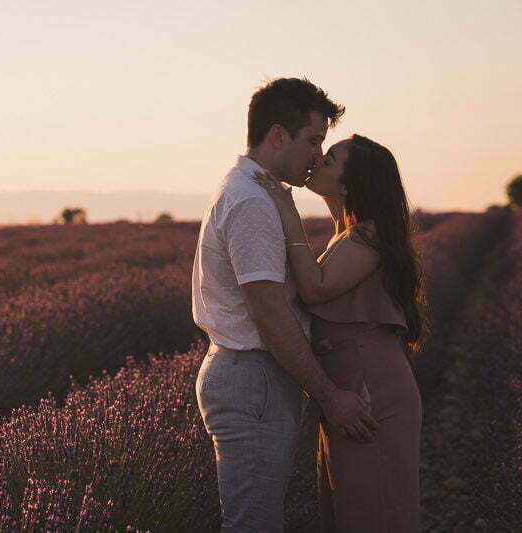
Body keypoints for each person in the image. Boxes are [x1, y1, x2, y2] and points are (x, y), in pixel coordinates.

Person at [192, 77, 378, 532]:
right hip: (253, 377)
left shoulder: (246, 189)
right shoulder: (253, 202)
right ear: (278, 135)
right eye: (313, 140)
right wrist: (330, 397)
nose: (318, 155)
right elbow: (270, 316)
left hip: (254, 375)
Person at [253, 134, 425, 531]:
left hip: (372, 392)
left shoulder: (368, 235)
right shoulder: (346, 234)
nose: (317, 160)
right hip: (351, 386)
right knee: (350, 506)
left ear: (348, 184)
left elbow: (316, 287)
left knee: (374, 508)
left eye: (328, 160)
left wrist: (285, 209)